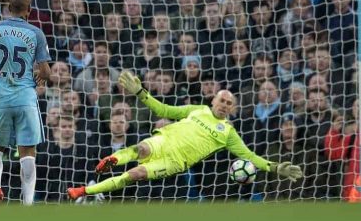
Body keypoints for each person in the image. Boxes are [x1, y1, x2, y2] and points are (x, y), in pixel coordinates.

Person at [67, 71, 303, 199]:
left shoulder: (229, 133)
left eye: (229, 103)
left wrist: (275, 167)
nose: (224, 104)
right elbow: (164, 111)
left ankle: (84, 191)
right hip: (165, 139)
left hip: (175, 161)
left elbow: (250, 156)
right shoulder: (196, 110)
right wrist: (139, 91)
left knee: (136, 173)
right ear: (213, 100)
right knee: (142, 149)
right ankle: (113, 160)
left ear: (233, 109)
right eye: (222, 100)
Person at [0, 0, 52, 205]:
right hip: (26, 99)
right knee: (27, 152)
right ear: (29, 10)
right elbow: (46, 72)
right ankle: (27, 204)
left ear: (8, 7)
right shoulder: (36, 33)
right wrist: (39, 76)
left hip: (1, 100)